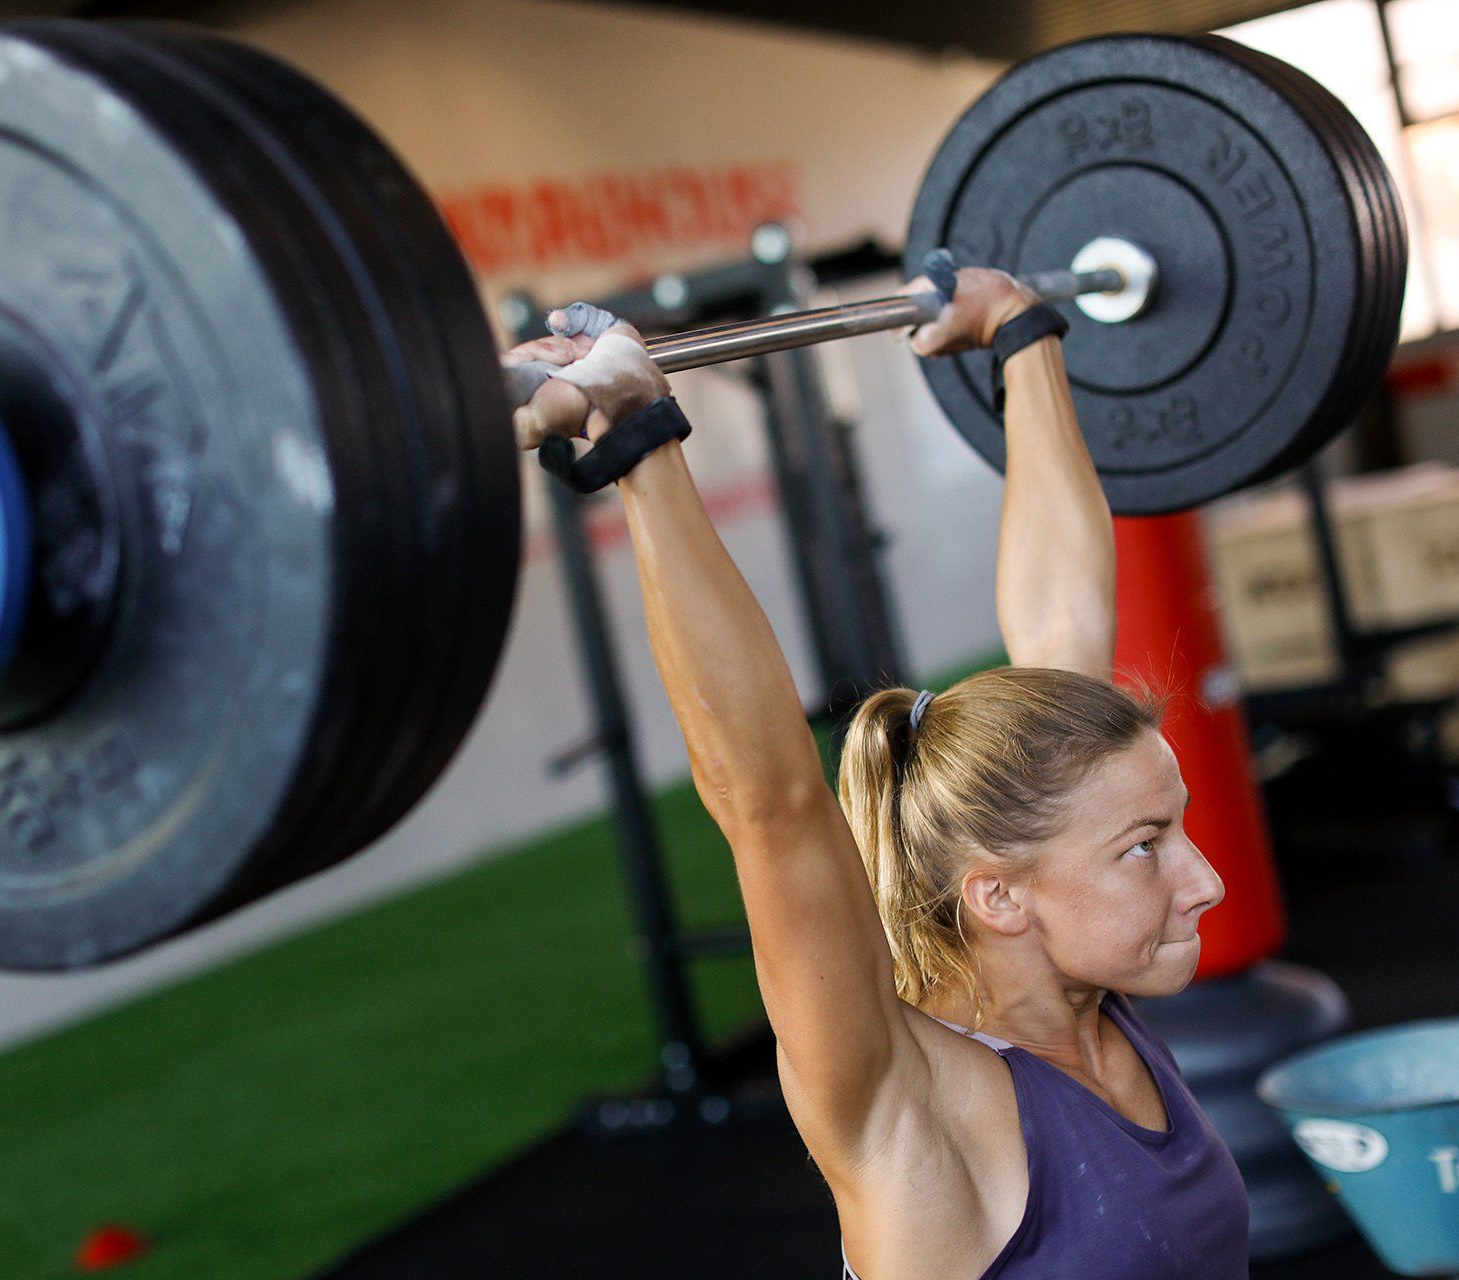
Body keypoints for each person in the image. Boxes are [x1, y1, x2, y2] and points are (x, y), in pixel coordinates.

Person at [503, 266, 1250, 1279]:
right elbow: (769, 806)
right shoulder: (912, 1106)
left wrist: (1025, 336)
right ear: (998, 896)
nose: (1201, 878)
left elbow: (1065, 614)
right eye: (1146, 847)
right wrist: (642, 441)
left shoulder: (1084, 990)